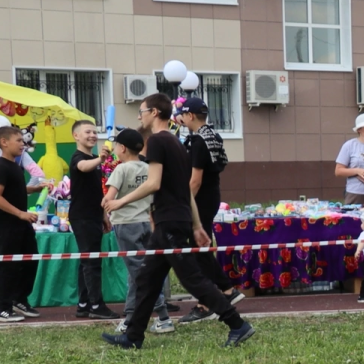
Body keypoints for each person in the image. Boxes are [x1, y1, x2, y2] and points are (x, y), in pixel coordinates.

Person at [100, 93, 253, 349]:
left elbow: (154, 183)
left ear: (155, 113)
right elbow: (184, 189)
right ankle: (133, 336)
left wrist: (119, 202)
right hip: (172, 221)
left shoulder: (159, 141)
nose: (140, 116)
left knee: (193, 279)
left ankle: (237, 324)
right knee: (147, 280)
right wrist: (195, 225)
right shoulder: (178, 144)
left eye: (142, 111)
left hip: (169, 222)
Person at [172, 97, 240, 324]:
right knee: (199, 249)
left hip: (200, 199)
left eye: (182, 114)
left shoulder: (199, 140)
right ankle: (226, 290)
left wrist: (183, 201)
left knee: (197, 248)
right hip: (210, 197)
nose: (180, 118)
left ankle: (210, 299)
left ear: (189, 115)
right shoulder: (212, 135)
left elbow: (195, 180)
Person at [105, 129, 172, 329]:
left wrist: (105, 207)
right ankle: (129, 318)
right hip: (145, 222)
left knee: (140, 273)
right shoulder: (147, 167)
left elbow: (109, 198)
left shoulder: (121, 169)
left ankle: (163, 315)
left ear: (122, 148)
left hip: (126, 224)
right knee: (135, 272)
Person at [0, 117, 41, 323]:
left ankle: (19, 299)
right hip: (7, 224)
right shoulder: (0, 167)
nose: (22, 143)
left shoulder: (15, 166)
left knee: (30, 259)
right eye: (18, 140)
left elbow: (12, 189)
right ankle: (2, 309)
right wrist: (20, 213)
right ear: (4, 142)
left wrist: (32, 189)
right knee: (8, 265)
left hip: (21, 224)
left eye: (22, 140)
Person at [66, 120, 115, 319]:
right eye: (88, 132)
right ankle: (96, 306)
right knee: (91, 262)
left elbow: (97, 192)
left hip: (94, 215)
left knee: (87, 261)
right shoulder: (79, 158)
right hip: (82, 217)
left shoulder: (95, 159)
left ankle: (84, 304)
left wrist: (104, 215)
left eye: (95, 132)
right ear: (76, 136)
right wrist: (101, 159)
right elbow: (83, 167)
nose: (93, 135)